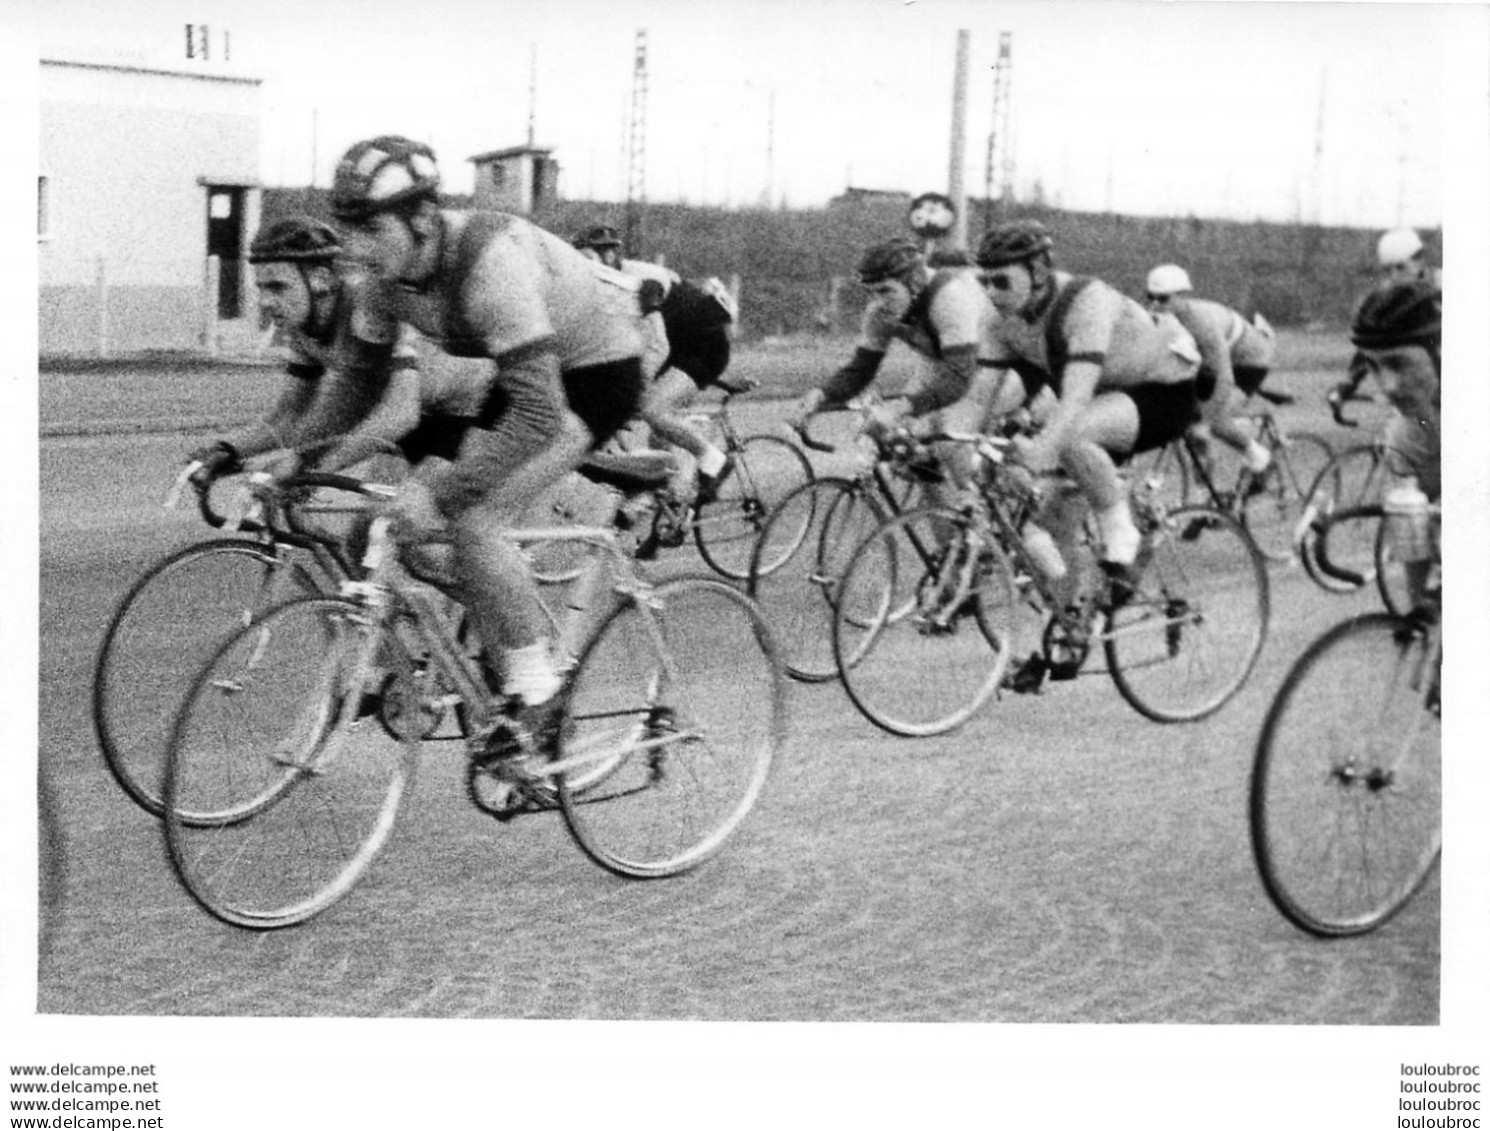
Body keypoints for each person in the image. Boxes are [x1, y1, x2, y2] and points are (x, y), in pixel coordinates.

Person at [328, 134, 648, 752]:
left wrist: (449, 491)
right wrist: (292, 455)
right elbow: (348, 387)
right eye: (349, 229)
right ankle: (503, 612)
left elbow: (538, 410)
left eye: (369, 230)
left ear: (421, 218)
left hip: (595, 375)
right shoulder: (383, 278)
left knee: (474, 517)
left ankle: (540, 692)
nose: (354, 248)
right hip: (526, 376)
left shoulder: (488, 265)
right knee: (403, 532)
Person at [974, 219, 1202, 594]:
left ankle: (1121, 532)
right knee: (1045, 530)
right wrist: (956, 441)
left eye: (1001, 282)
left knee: (1069, 436)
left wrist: (1037, 454)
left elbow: (1076, 398)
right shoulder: (999, 318)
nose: (991, 293)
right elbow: (980, 399)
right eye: (984, 281)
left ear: (1039, 271)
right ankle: (1069, 635)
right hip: (1104, 393)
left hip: (1164, 388)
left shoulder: (1085, 300)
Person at [184, 216, 420, 480]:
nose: (265, 302)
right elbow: (288, 416)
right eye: (261, 288)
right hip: (390, 419)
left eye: (277, 287)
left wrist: (314, 466)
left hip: (436, 414)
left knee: (383, 512)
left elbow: (401, 412)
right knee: (286, 499)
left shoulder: (365, 306)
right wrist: (227, 450)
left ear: (321, 279)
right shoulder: (302, 325)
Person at [787, 236, 1025, 475]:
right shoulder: (880, 312)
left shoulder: (949, 299)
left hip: (996, 367)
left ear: (915, 281)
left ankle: (972, 502)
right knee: (904, 451)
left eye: (885, 291)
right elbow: (861, 368)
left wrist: (899, 408)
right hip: (941, 364)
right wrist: (823, 395)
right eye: (871, 293)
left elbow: (959, 377)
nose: (879, 302)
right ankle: (936, 508)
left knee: (946, 440)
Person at [571, 224, 738, 499]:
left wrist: (634, 387)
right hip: (680, 344)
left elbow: (658, 345)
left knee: (652, 409)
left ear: (609, 256)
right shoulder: (611, 280)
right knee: (656, 433)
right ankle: (668, 494)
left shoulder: (640, 282)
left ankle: (714, 461)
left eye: (587, 259)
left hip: (703, 347)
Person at [1347, 279, 1441, 610]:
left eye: (1399, 364)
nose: (1386, 386)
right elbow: (1415, 546)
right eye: (1373, 366)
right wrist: (1417, 614)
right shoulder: (1405, 435)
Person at [1143, 263, 1278, 481]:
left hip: (1249, 361)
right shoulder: (1160, 317)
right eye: (1150, 297)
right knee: (1187, 414)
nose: (1154, 304)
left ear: (1181, 296)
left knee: (1212, 421)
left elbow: (1224, 378)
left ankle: (1260, 458)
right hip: (1213, 361)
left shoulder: (1201, 323)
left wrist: (1205, 422)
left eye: (1163, 299)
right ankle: (1204, 491)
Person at [1328, 228, 1440, 418]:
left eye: (1400, 267)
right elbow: (1372, 345)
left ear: (1419, 261)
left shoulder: (1438, 288)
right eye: (1388, 270)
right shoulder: (1390, 297)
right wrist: (1347, 385)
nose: (1395, 276)